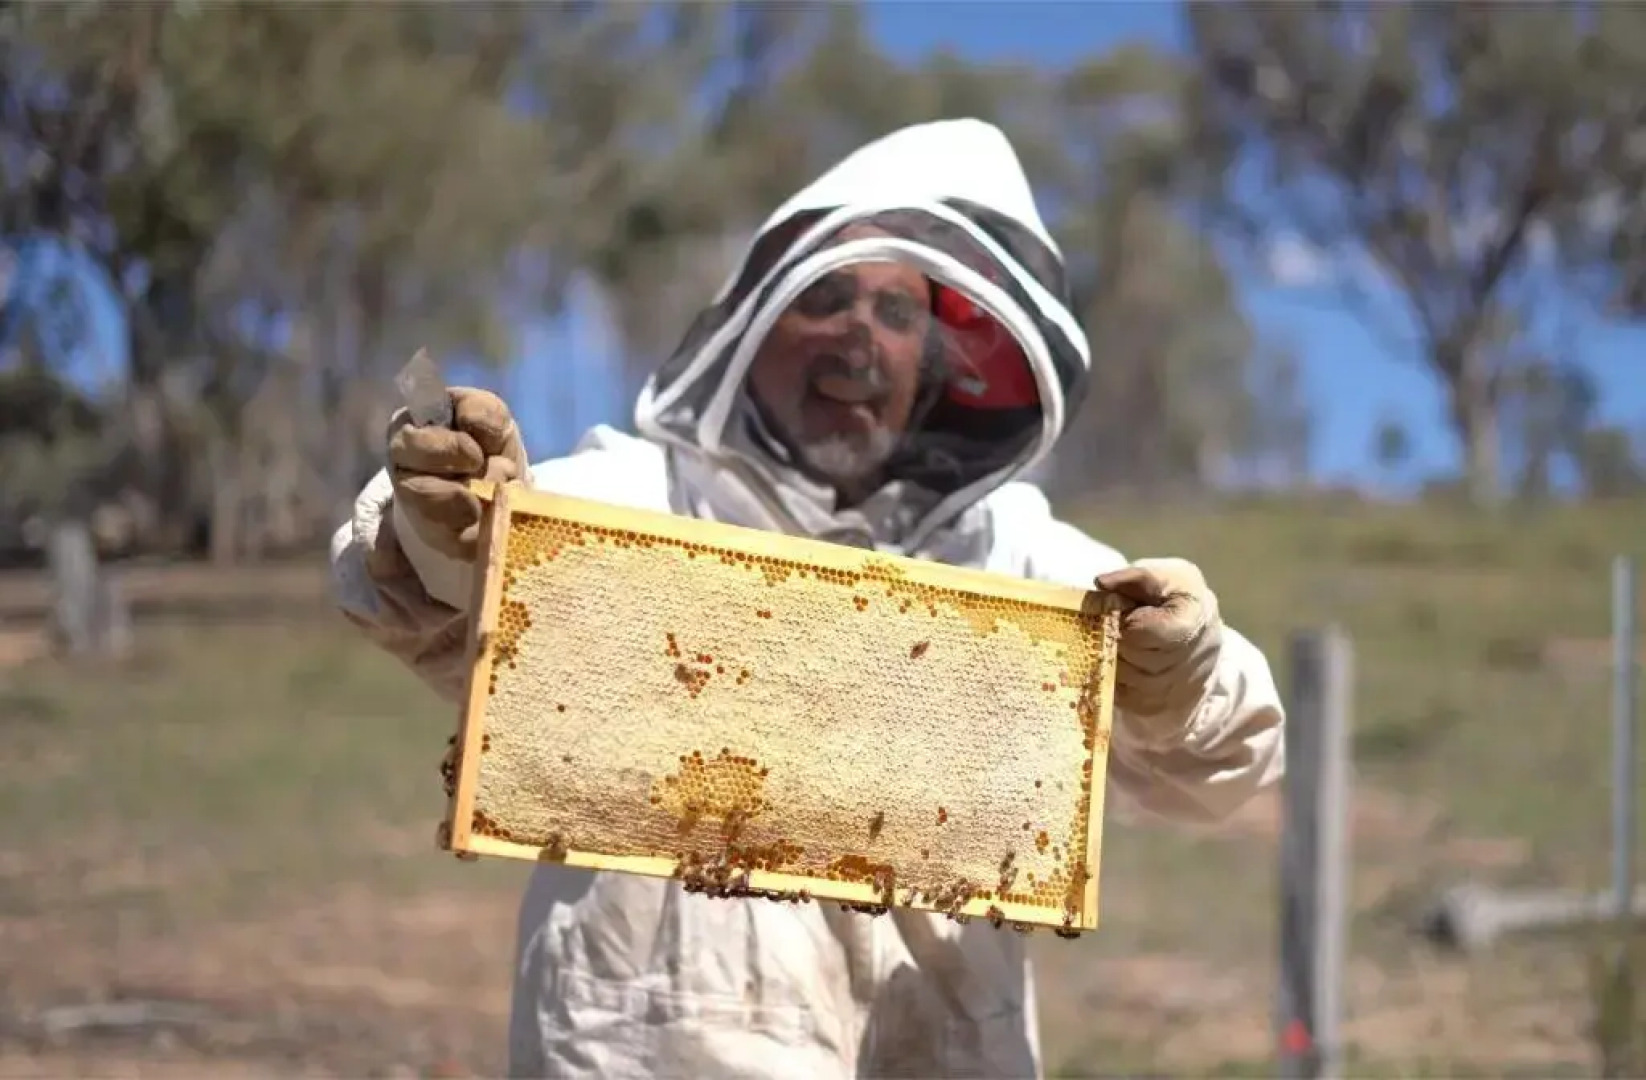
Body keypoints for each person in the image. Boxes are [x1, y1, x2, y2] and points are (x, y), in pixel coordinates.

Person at [330, 118, 1286, 1079]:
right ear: (758, 321)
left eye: (899, 315)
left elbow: (1229, 764)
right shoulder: (642, 499)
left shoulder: (1012, 554)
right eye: (827, 298)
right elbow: (431, 579)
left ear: (942, 365)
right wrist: (446, 532)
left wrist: (1177, 676)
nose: (860, 339)